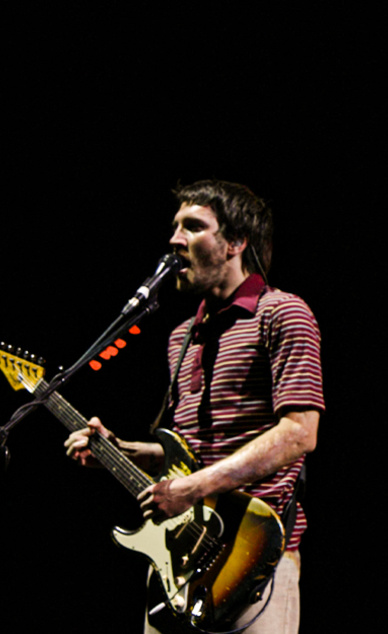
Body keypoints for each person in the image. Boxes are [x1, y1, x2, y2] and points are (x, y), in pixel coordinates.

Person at [65, 179, 324, 633]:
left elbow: (299, 433)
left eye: (193, 226)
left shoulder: (283, 313)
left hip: (253, 556)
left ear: (235, 242)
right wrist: (118, 451)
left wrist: (192, 489)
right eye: (174, 227)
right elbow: (184, 451)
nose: (174, 239)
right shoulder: (181, 338)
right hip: (178, 559)